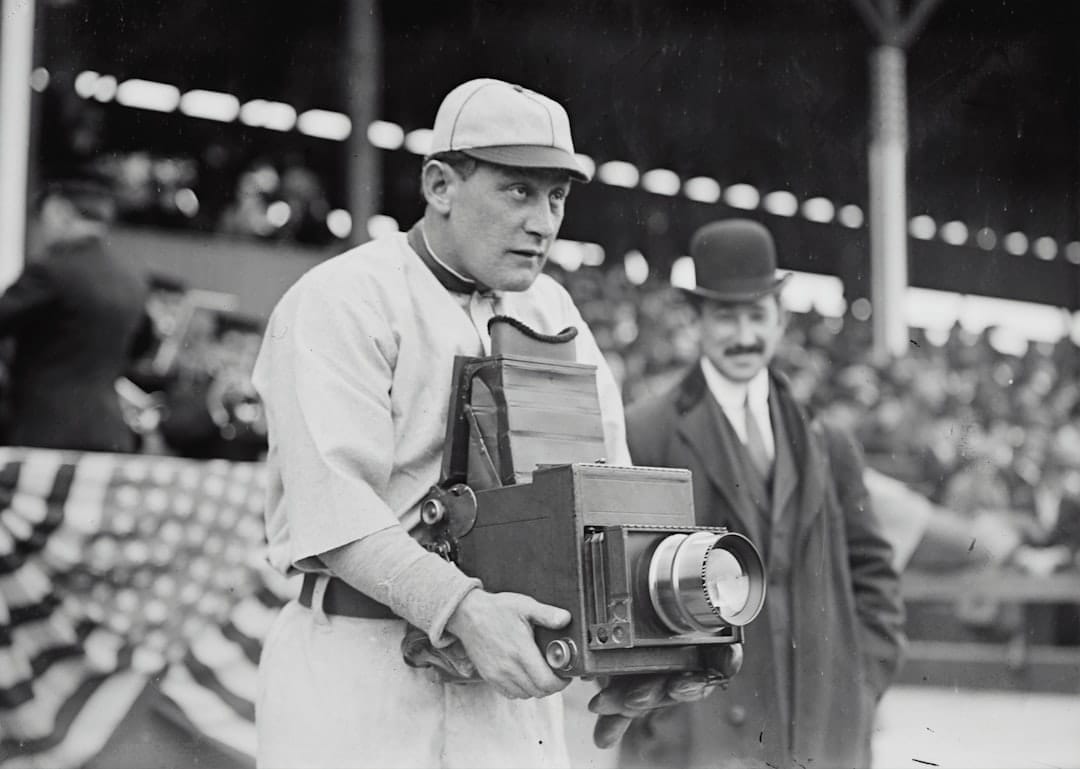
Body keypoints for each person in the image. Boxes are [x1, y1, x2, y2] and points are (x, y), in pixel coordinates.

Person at [251, 78, 712, 769]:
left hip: (506, 694)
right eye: (518, 190)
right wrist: (463, 607)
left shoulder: (556, 311)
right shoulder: (342, 298)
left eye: (556, 196)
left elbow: (609, 492)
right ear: (440, 185)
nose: (544, 221)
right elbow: (334, 511)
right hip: (360, 670)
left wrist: (639, 650)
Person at [618, 219, 906, 769]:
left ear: (781, 320)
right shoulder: (646, 431)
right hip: (700, 737)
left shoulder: (826, 439)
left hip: (819, 729)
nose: (743, 335)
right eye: (725, 316)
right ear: (696, 321)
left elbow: (874, 574)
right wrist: (661, 713)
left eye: (757, 315)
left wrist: (862, 682)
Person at [0, 172, 150, 452]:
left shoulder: (51, 269)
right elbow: (141, 346)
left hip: (44, 431)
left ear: (60, 211)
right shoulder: (132, 279)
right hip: (110, 432)